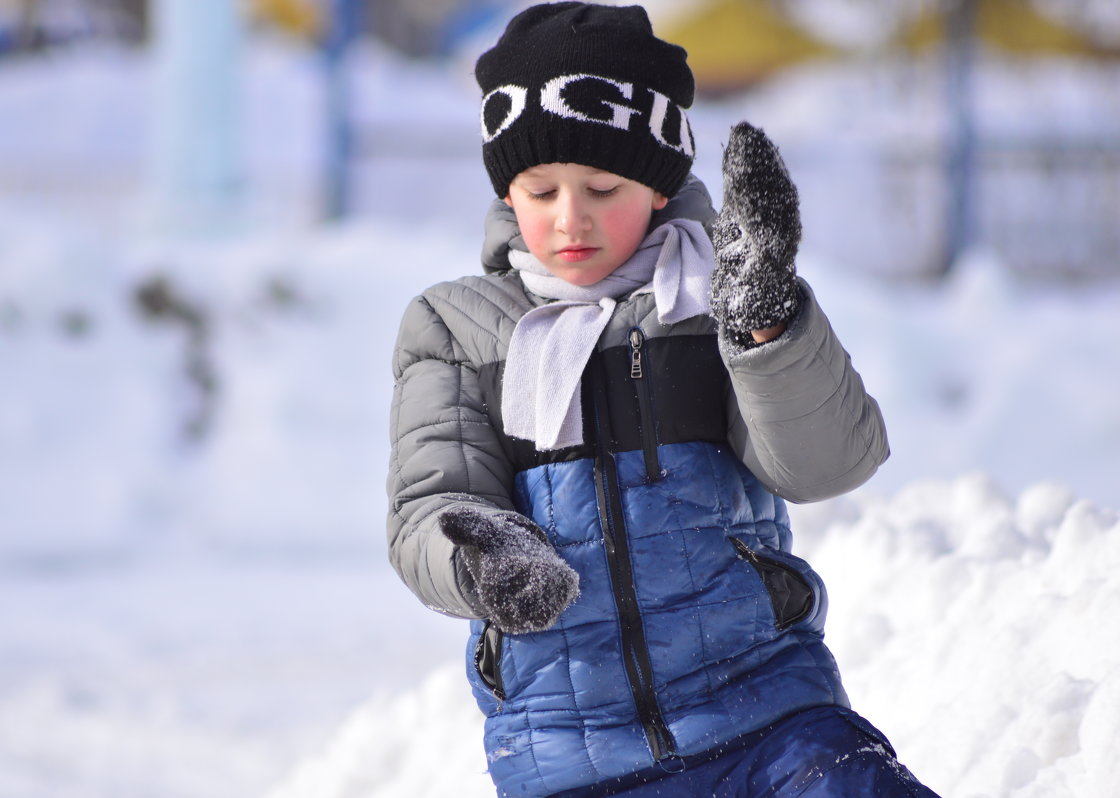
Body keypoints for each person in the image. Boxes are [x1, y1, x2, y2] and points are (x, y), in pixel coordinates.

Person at [387, 3, 940, 796]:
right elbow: (428, 504)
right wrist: (485, 559)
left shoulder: (714, 300)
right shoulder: (456, 329)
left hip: (769, 711)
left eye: (602, 187)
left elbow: (828, 464)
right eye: (539, 191)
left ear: (658, 182)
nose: (568, 219)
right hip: (572, 752)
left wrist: (766, 327)